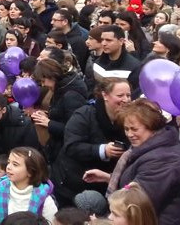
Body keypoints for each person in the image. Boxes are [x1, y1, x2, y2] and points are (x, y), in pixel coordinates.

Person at [82, 98, 180, 225]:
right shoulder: (149, 149)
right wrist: (109, 178)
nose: (129, 134)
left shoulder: (165, 159)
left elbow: (136, 204)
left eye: (134, 129)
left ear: (152, 126)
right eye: (126, 129)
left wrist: (102, 222)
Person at [51, 78, 131, 207]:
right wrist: (102, 150)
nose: (126, 100)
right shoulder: (84, 115)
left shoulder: (129, 119)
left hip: (104, 186)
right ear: (105, 95)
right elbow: (71, 146)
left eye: (128, 95)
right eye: (120, 95)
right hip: (72, 184)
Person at [30, 58, 88, 164]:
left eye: (43, 81)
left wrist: (49, 123)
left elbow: (75, 129)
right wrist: (47, 115)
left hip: (67, 154)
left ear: (51, 76)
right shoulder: (60, 89)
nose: (43, 85)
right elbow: (61, 113)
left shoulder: (71, 95)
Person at [0, 147, 57, 224]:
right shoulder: (1, 190)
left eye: (15, 164)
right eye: (8, 162)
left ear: (30, 172)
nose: (8, 167)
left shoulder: (44, 198)